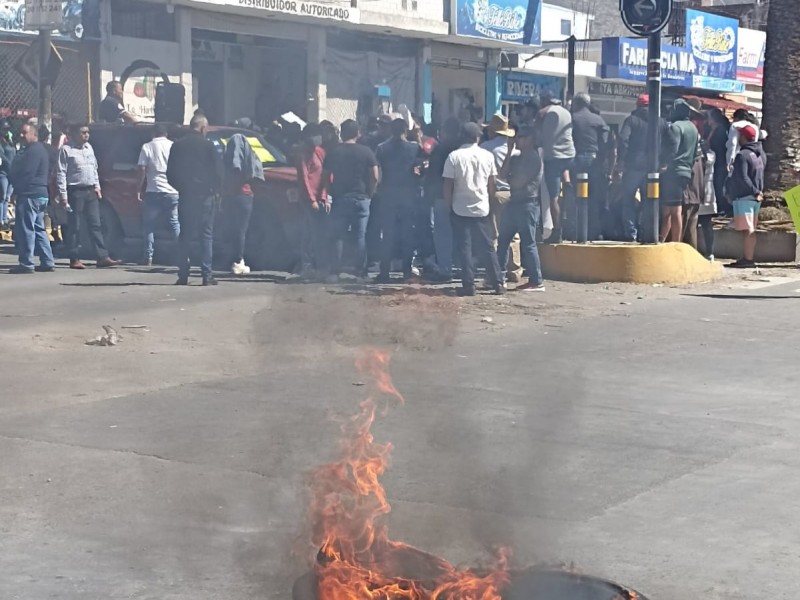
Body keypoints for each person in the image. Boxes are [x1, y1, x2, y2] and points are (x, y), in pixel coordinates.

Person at [442, 122, 503, 297]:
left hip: (460, 208)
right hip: (482, 207)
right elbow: (492, 184)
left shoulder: (454, 156)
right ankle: (498, 282)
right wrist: (491, 204)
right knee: (487, 247)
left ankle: (468, 285)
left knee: (464, 248)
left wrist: (448, 205)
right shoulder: (487, 156)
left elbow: (448, 185)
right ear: (478, 137)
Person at [167, 114, 223, 286]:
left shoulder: (177, 145)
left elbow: (170, 173)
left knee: (185, 236)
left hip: (186, 196)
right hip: (205, 196)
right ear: (203, 128)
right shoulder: (208, 146)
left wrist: (182, 188)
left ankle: (183, 275)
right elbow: (218, 172)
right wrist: (216, 190)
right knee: (206, 235)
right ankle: (207, 275)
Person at [57, 123, 120, 269]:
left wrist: (97, 186)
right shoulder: (66, 150)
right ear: (74, 134)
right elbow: (61, 174)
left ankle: (102, 256)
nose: (86, 135)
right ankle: (74, 258)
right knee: (75, 226)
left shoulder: (89, 148)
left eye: (87, 132)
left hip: (90, 191)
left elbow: (94, 168)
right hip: (75, 191)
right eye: (83, 132)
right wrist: (63, 196)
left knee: (95, 224)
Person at [322, 119, 379, 282]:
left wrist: (328, 192)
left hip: (340, 197)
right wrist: (370, 193)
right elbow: (375, 176)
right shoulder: (366, 151)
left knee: (337, 235)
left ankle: (334, 272)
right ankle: (359, 272)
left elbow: (325, 176)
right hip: (361, 198)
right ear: (358, 134)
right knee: (360, 236)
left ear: (341, 133)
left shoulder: (333, 152)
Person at [497, 125, 545, 292]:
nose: (516, 140)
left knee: (528, 243)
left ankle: (536, 280)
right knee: (502, 240)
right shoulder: (517, 157)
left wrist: (512, 178)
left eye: (521, 137)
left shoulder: (533, 158)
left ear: (530, 139)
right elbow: (502, 174)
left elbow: (518, 182)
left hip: (527, 204)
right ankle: (499, 276)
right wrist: (509, 152)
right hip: (515, 202)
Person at [374, 118, 420, 283]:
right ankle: (406, 271)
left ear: (390, 130)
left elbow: (378, 174)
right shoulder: (414, 147)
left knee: (387, 234)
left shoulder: (381, 148)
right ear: (405, 131)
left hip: (388, 194)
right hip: (408, 195)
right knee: (407, 233)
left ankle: (384, 272)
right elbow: (420, 168)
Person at [617, 94, 667, 242]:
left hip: (633, 166)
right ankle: (647, 232)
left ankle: (631, 233)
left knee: (628, 200)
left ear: (638, 105)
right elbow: (670, 142)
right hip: (653, 168)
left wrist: (622, 160)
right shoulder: (661, 122)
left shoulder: (631, 120)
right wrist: (663, 161)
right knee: (649, 201)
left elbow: (623, 139)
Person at [480, 114, 522, 282]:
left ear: (492, 132)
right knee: (514, 234)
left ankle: (496, 272)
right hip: (513, 193)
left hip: (495, 193)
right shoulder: (516, 149)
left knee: (495, 234)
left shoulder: (485, 147)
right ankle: (515, 270)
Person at [8, 123, 54, 274]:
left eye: (24, 133)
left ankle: (26, 263)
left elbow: (28, 173)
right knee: (38, 227)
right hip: (40, 194)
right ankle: (47, 260)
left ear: (34, 134)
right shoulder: (37, 150)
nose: (21, 135)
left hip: (30, 194)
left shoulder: (33, 151)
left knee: (26, 229)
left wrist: (17, 191)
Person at [535, 90, 575, 243]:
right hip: (570, 155)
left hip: (553, 157)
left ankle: (556, 231)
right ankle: (567, 182)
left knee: (554, 197)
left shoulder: (543, 112)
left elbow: (536, 133)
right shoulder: (566, 112)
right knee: (563, 170)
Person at [137, 123, 179, 266]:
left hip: (153, 190)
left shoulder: (147, 146)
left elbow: (142, 169)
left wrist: (139, 188)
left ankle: (148, 257)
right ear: (166, 134)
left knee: (149, 225)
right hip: (172, 190)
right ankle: (183, 254)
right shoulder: (174, 146)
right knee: (174, 223)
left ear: (152, 133)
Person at [424, 117, 461, 282]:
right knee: (462, 235)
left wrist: (428, 196)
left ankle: (445, 269)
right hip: (464, 198)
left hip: (441, 196)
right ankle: (462, 267)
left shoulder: (440, 150)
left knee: (443, 234)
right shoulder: (462, 149)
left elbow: (433, 175)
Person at [222, 133, 264, 275]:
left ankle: (234, 259)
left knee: (234, 229)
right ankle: (238, 260)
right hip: (244, 196)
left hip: (229, 196)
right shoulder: (248, 158)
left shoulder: (226, 159)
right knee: (241, 230)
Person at [570, 93, 609, 241]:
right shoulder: (598, 119)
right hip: (595, 160)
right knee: (594, 197)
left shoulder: (572, 118)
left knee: (576, 197)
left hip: (577, 158)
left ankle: (578, 231)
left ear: (576, 103)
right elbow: (606, 142)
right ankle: (595, 231)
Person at [660, 99, 700, 243]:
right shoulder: (694, 128)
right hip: (686, 172)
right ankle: (662, 239)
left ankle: (675, 242)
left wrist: (663, 164)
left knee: (674, 211)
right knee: (669, 209)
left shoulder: (675, 127)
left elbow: (672, 148)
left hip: (673, 172)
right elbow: (696, 153)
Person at [728, 123, 765, 268]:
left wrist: (754, 190)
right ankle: (747, 257)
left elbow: (743, 177)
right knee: (750, 228)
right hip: (756, 196)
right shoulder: (760, 153)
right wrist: (758, 190)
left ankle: (748, 259)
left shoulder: (742, 155)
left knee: (748, 229)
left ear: (743, 137)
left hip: (746, 196)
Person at [295, 123, 328, 277]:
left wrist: (324, 197)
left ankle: (318, 264)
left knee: (319, 233)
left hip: (320, 197)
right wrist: (312, 200)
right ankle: (306, 265)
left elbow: (326, 176)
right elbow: (304, 178)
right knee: (308, 233)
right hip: (309, 199)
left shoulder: (320, 152)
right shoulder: (303, 154)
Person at [706, 108, 730, 217]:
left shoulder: (720, 130)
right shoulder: (713, 129)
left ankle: (722, 208)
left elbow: (719, 147)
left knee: (719, 185)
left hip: (720, 162)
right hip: (714, 162)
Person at [0, 120, 15, 230]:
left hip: (12, 174)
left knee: (7, 198)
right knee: (2, 196)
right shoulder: (1, 143)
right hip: (3, 173)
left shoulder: (11, 142)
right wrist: (10, 164)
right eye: (4, 129)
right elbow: (3, 157)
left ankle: (5, 219)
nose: (6, 131)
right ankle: (1, 219)